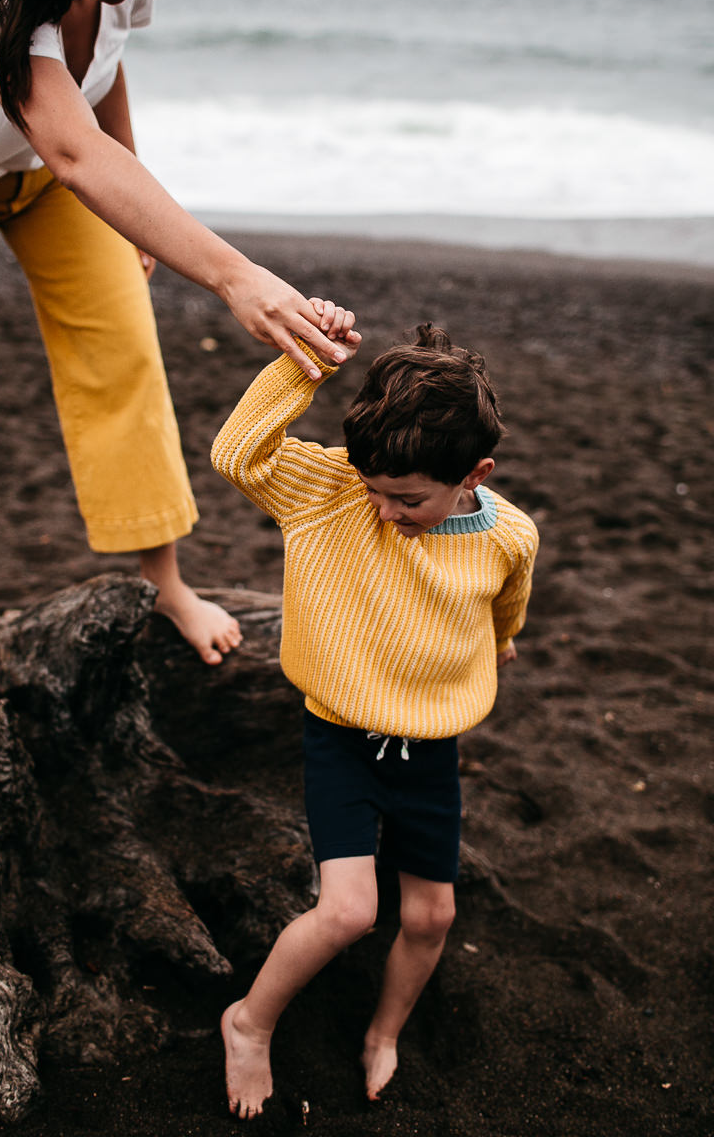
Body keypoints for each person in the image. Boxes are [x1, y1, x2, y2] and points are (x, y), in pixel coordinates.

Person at [0, 0, 355, 665]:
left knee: (123, 361)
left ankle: (166, 587)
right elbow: (73, 150)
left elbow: (98, 77)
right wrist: (236, 277)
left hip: (50, 183)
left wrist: (135, 189)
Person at [211, 320, 539, 1118]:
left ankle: (384, 1032)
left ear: (474, 474)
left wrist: (499, 645)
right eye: (375, 489)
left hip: (430, 751)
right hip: (342, 739)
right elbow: (237, 453)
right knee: (351, 912)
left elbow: (506, 609)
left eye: (408, 499)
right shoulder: (330, 493)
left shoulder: (509, 536)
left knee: (432, 915)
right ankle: (249, 1023)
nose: (385, 511)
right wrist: (308, 362)